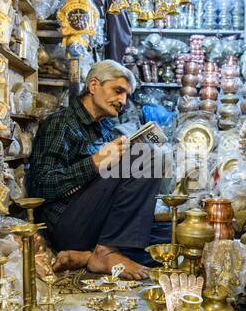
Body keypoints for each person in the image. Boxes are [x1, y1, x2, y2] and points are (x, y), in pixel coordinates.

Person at [26, 60, 166, 279]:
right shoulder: (61, 124)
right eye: (118, 91)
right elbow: (40, 187)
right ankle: (104, 251)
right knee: (146, 155)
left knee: (166, 236)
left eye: (127, 95)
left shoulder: (105, 128)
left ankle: (86, 256)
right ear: (93, 86)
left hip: (93, 222)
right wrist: (95, 162)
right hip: (66, 224)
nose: (123, 101)